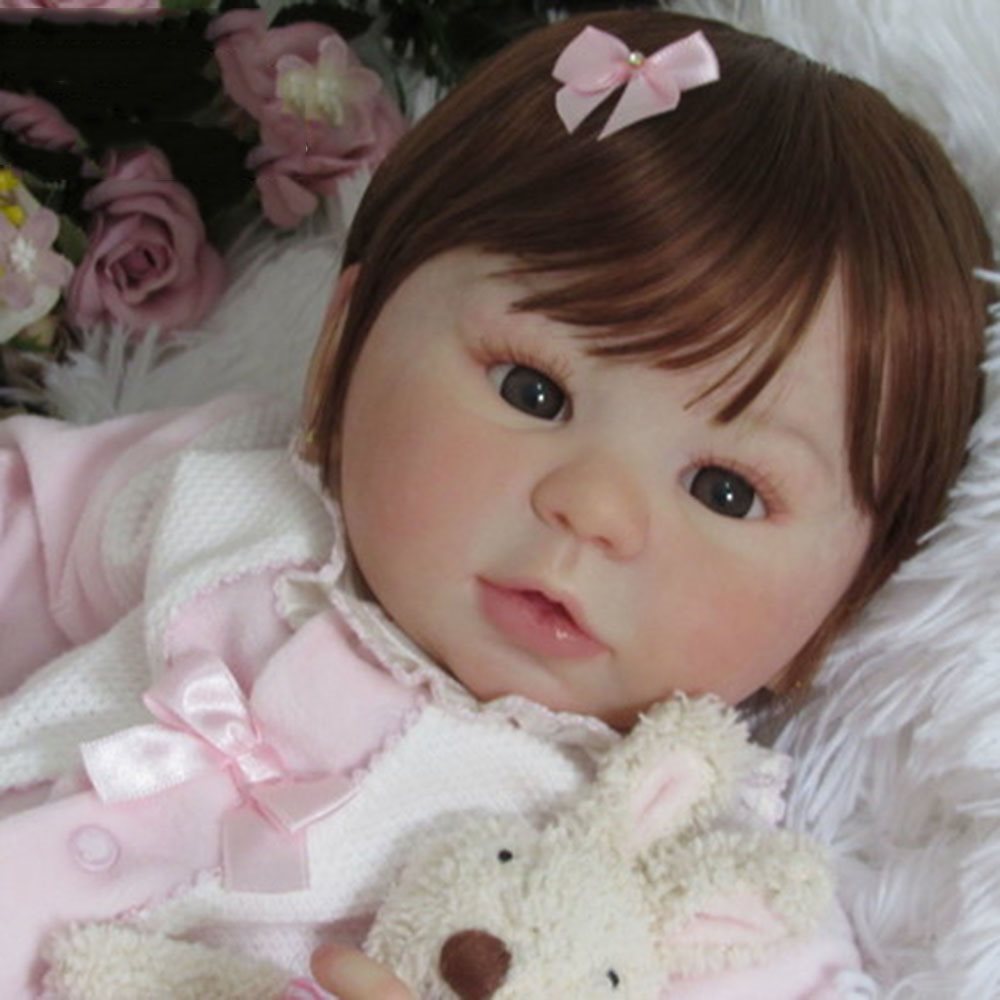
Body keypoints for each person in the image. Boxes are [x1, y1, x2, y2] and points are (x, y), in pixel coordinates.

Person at [0, 9, 991, 999]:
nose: (594, 508)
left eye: (725, 491)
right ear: (343, 349)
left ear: (840, 609)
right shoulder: (219, 495)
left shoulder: (707, 895)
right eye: (533, 391)